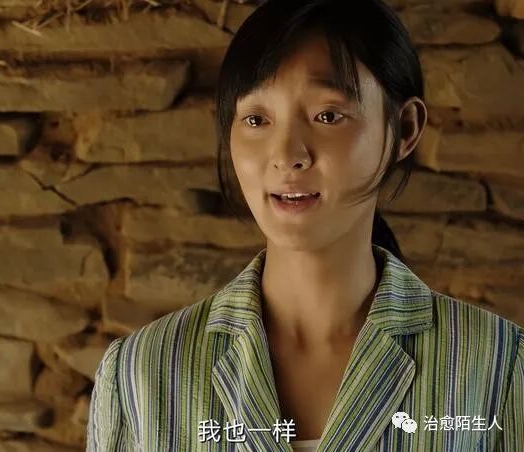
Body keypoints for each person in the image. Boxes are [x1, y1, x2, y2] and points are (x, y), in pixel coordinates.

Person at [86, 0, 524, 450]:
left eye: (327, 116)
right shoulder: (141, 376)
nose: (287, 155)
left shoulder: (498, 367)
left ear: (405, 128)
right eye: (256, 119)